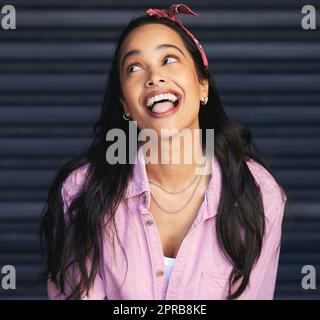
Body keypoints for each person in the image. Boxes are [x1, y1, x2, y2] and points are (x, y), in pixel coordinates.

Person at [40, 4, 287, 300]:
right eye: (134, 67)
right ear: (125, 105)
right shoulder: (82, 191)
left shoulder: (259, 194)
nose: (154, 77)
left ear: (203, 83)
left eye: (169, 59)